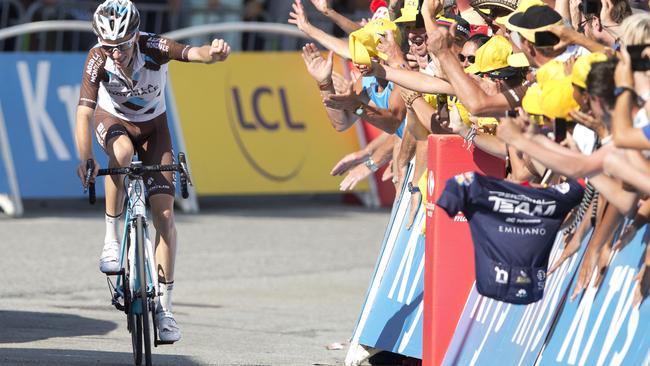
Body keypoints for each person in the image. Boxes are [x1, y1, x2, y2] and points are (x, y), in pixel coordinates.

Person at [73, 0, 231, 343]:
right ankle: (111, 240)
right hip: (112, 122)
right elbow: (84, 113)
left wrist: (213, 54)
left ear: (135, 37)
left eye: (122, 46)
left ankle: (165, 309)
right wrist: (85, 157)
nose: (115, 54)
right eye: (108, 46)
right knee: (123, 152)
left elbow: (193, 53)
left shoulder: (153, 47)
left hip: (154, 129)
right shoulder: (97, 58)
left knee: (164, 216)